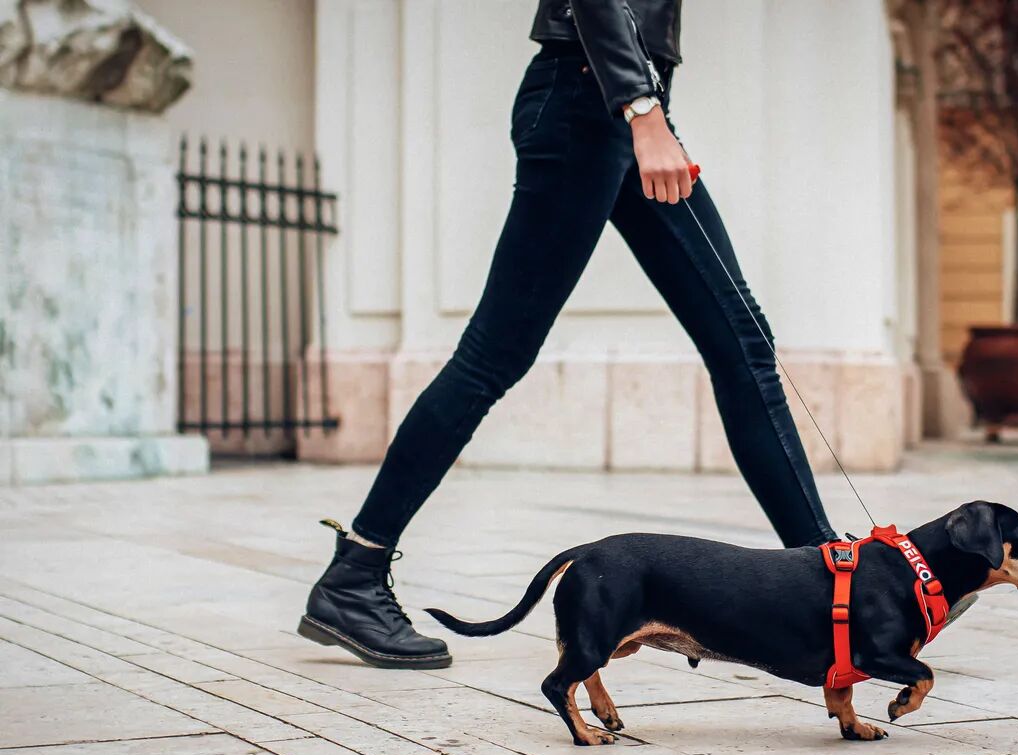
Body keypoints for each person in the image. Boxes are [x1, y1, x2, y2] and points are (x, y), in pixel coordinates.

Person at [298, 0, 838, 669]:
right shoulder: (618, 103)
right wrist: (640, 107)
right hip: (592, 105)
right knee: (493, 356)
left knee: (743, 342)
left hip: (620, 105)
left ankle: (835, 586)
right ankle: (356, 571)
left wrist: (645, 108)